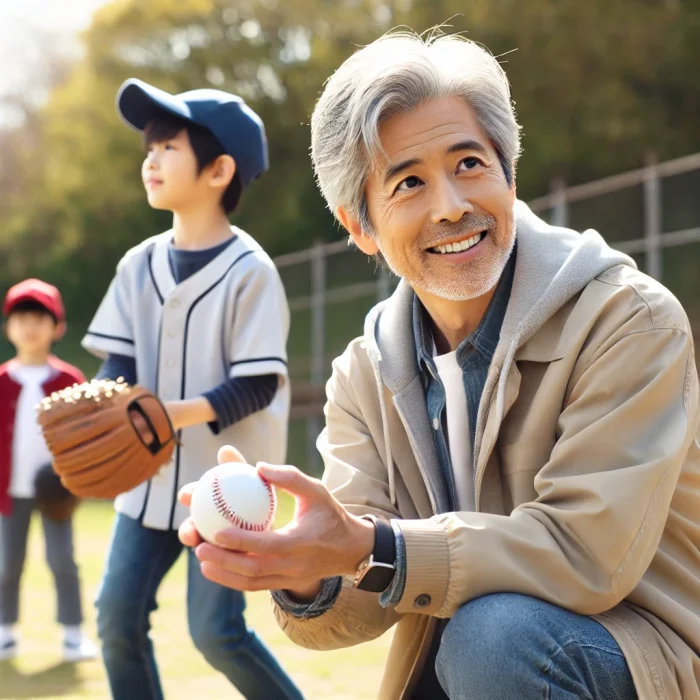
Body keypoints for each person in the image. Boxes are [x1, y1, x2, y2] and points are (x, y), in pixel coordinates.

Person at [178, 32, 700, 700]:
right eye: (409, 182)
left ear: (509, 176)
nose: (451, 204)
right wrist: (305, 566)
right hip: (471, 669)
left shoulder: (628, 320)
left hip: (642, 660)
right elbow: (359, 597)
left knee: (491, 638)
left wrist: (372, 544)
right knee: (472, 646)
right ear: (359, 225)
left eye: (470, 164)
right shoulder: (362, 376)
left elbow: (586, 557)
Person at [83, 79, 303, 700]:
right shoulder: (137, 263)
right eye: (149, 147)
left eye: (168, 147)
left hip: (223, 484)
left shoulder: (250, 270)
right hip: (146, 480)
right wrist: (103, 411)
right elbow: (117, 365)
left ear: (219, 170)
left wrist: (158, 414)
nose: (149, 159)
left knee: (215, 634)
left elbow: (257, 383)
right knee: (116, 617)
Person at [0, 279, 97, 662]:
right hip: (8, 491)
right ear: (8, 327)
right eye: (21, 318)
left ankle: (73, 634)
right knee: (7, 563)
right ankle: (5, 631)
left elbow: (89, 436)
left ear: (57, 327)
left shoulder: (70, 381)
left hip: (58, 489)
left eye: (39, 318)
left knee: (62, 561)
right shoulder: (2, 381)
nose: (29, 326)